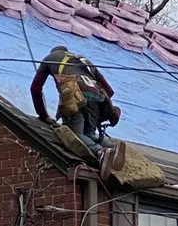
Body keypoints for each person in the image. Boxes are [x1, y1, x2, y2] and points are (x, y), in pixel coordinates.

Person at [30, 45, 126, 179]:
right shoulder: (83, 60)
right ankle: (113, 148)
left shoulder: (50, 58)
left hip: (75, 97)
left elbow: (35, 88)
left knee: (75, 133)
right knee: (88, 133)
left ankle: (101, 152)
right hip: (98, 98)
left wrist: (43, 115)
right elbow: (109, 91)